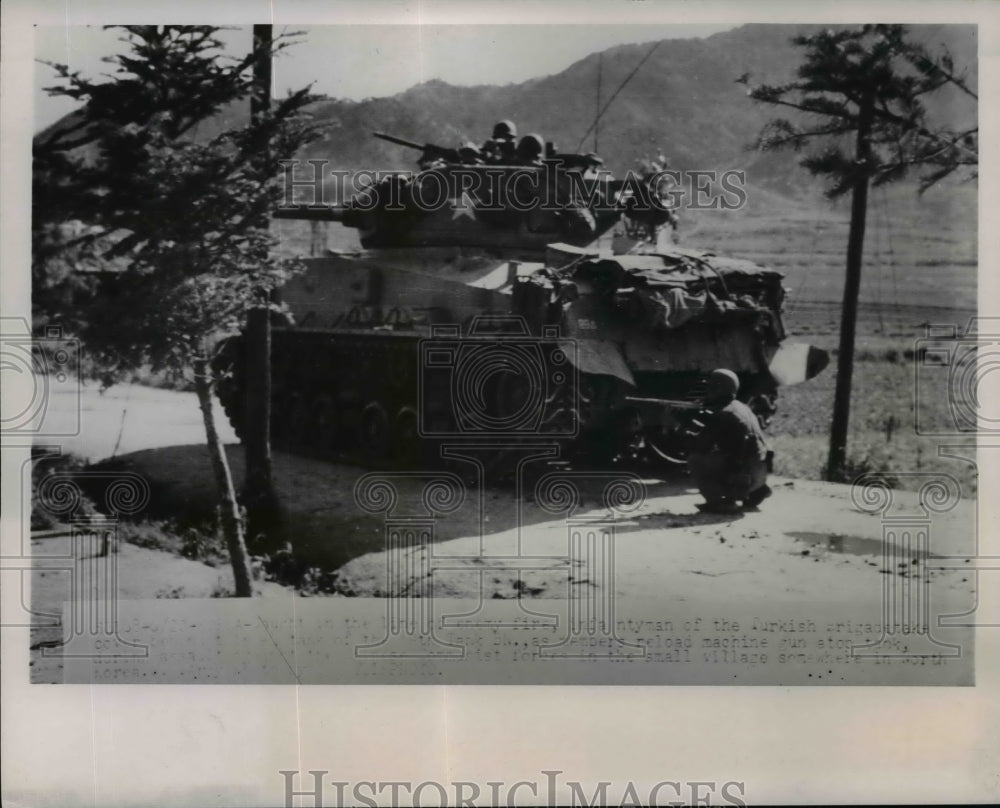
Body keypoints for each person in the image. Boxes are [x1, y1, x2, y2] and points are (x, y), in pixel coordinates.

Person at [687, 368, 772, 514]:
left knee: (696, 459)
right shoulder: (743, 408)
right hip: (760, 472)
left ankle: (720, 502)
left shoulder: (723, 414)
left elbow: (700, 446)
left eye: (711, 387)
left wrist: (681, 425)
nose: (708, 391)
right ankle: (756, 493)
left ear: (717, 389)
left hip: (744, 477)